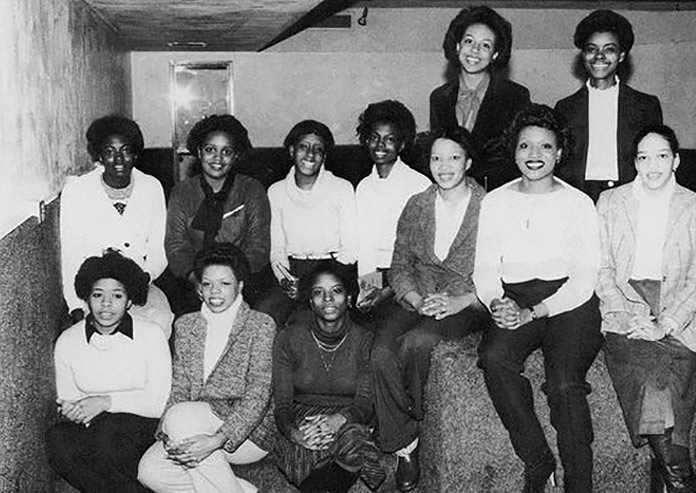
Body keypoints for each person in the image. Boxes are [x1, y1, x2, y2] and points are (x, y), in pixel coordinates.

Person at [473, 104, 601, 493]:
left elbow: (584, 280)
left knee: (563, 384)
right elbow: (484, 268)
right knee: (494, 358)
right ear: (513, 150)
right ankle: (537, 459)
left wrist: (533, 312)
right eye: (525, 145)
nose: (534, 154)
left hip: (568, 301)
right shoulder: (494, 201)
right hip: (514, 294)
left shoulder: (578, 203)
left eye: (545, 146)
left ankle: (579, 484)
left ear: (560, 153)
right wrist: (498, 302)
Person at [596, 125, 696, 493]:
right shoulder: (610, 202)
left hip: (681, 320)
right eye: (643, 157)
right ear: (634, 162)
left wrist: (667, 323)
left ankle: (668, 479)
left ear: (675, 160)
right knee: (654, 386)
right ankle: (680, 480)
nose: (652, 165)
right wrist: (632, 314)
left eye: (661, 155)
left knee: (665, 387)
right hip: (625, 314)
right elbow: (601, 271)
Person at [370, 126, 487, 492]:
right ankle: (406, 442)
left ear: (468, 162)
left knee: (417, 344)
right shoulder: (417, 204)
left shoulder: (490, 205)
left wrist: (461, 300)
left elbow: (497, 268)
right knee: (380, 352)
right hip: (417, 297)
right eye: (437, 158)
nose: (444, 166)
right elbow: (400, 263)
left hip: (465, 299)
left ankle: (415, 423)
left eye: (454, 157)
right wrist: (417, 299)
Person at [138, 243, 276, 493]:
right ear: (199, 289)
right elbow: (179, 388)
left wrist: (216, 440)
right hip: (191, 424)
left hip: (246, 434)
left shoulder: (260, 325)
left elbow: (259, 395)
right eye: (208, 284)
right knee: (151, 471)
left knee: (181, 417)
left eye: (225, 283)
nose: (215, 291)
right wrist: (167, 434)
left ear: (240, 286)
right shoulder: (186, 325)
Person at [46, 251, 171, 493]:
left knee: (107, 437)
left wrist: (105, 402)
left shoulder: (151, 334)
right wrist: (75, 409)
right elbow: (69, 397)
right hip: (94, 424)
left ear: (129, 301)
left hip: (142, 422)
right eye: (97, 295)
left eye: (116, 296)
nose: (106, 304)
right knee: (58, 439)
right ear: (86, 299)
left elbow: (159, 402)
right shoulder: (68, 341)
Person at [272, 263, 385, 493]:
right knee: (301, 453)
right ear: (310, 302)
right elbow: (282, 405)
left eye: (336, 291)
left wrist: (339, 420)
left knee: (355, 438)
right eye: (318, 292)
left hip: (348, 417)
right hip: (304, 420)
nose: (328, 299)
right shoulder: (289, 338)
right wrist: (296, 434)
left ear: (350, 297)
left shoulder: (365, 340)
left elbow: (365, 402)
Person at [60, 115, 173, 337]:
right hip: (93, 290)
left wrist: (140, 281)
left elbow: (159, 252)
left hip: (140, 285)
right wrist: (75, 306)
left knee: (157, 325)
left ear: (136, 153)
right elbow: (71, 255)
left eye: (126, 151)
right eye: (110, 152)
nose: (119, 159)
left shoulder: (151, 187)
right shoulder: (77, 192)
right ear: (99, 155)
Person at [165, 114, 271, 315]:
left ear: (236, 155)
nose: (218, 159)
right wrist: (197, 279)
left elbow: (259, 248)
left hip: (243, 281)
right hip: (193, 282)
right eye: (210, 150)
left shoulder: (252, 190)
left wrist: (229, 282)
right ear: (198, 151)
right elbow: (176, 247)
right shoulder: (182, 192)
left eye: (227, 151)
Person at [256, 120, 357, 328]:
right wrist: (285, 280)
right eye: (303, 147)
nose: (310, 154)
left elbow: (351, 248)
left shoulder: (342, 188)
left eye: (318, 149)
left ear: (325, 156)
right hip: (292, 272)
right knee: (263, 317)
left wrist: (313, 282)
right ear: (292, 150)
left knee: (305, 323)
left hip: (332, 271)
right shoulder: (276, 191)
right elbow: (277, 249)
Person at [554, 9, 663, 202]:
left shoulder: (646, 106)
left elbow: (655, 161)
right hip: (580, 197)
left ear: (621, 55)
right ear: (583, 54)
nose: (599, 56)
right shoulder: (565, 108)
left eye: (609, 49)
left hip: (630, 196)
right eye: (591, 49)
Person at [430, 5, 530, 190]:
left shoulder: (515, 96)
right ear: (458, 46)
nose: (475, 50)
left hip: (498, 193)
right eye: (469, 41)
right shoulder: (439, 98)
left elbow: (513, 156)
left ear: (495, 54)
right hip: (452, 193)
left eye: (485, 45)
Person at [354, 100, 431, 318]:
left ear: (402, 145)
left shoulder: (419, 185)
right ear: (366, 140)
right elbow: (366, 246)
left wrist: (386, 291)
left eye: (389, 140)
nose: (380, 145)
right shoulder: (364, 188)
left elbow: (422, 254)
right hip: (373, 275)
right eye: (375, 138)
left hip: (411, 277)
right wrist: (367, 290)